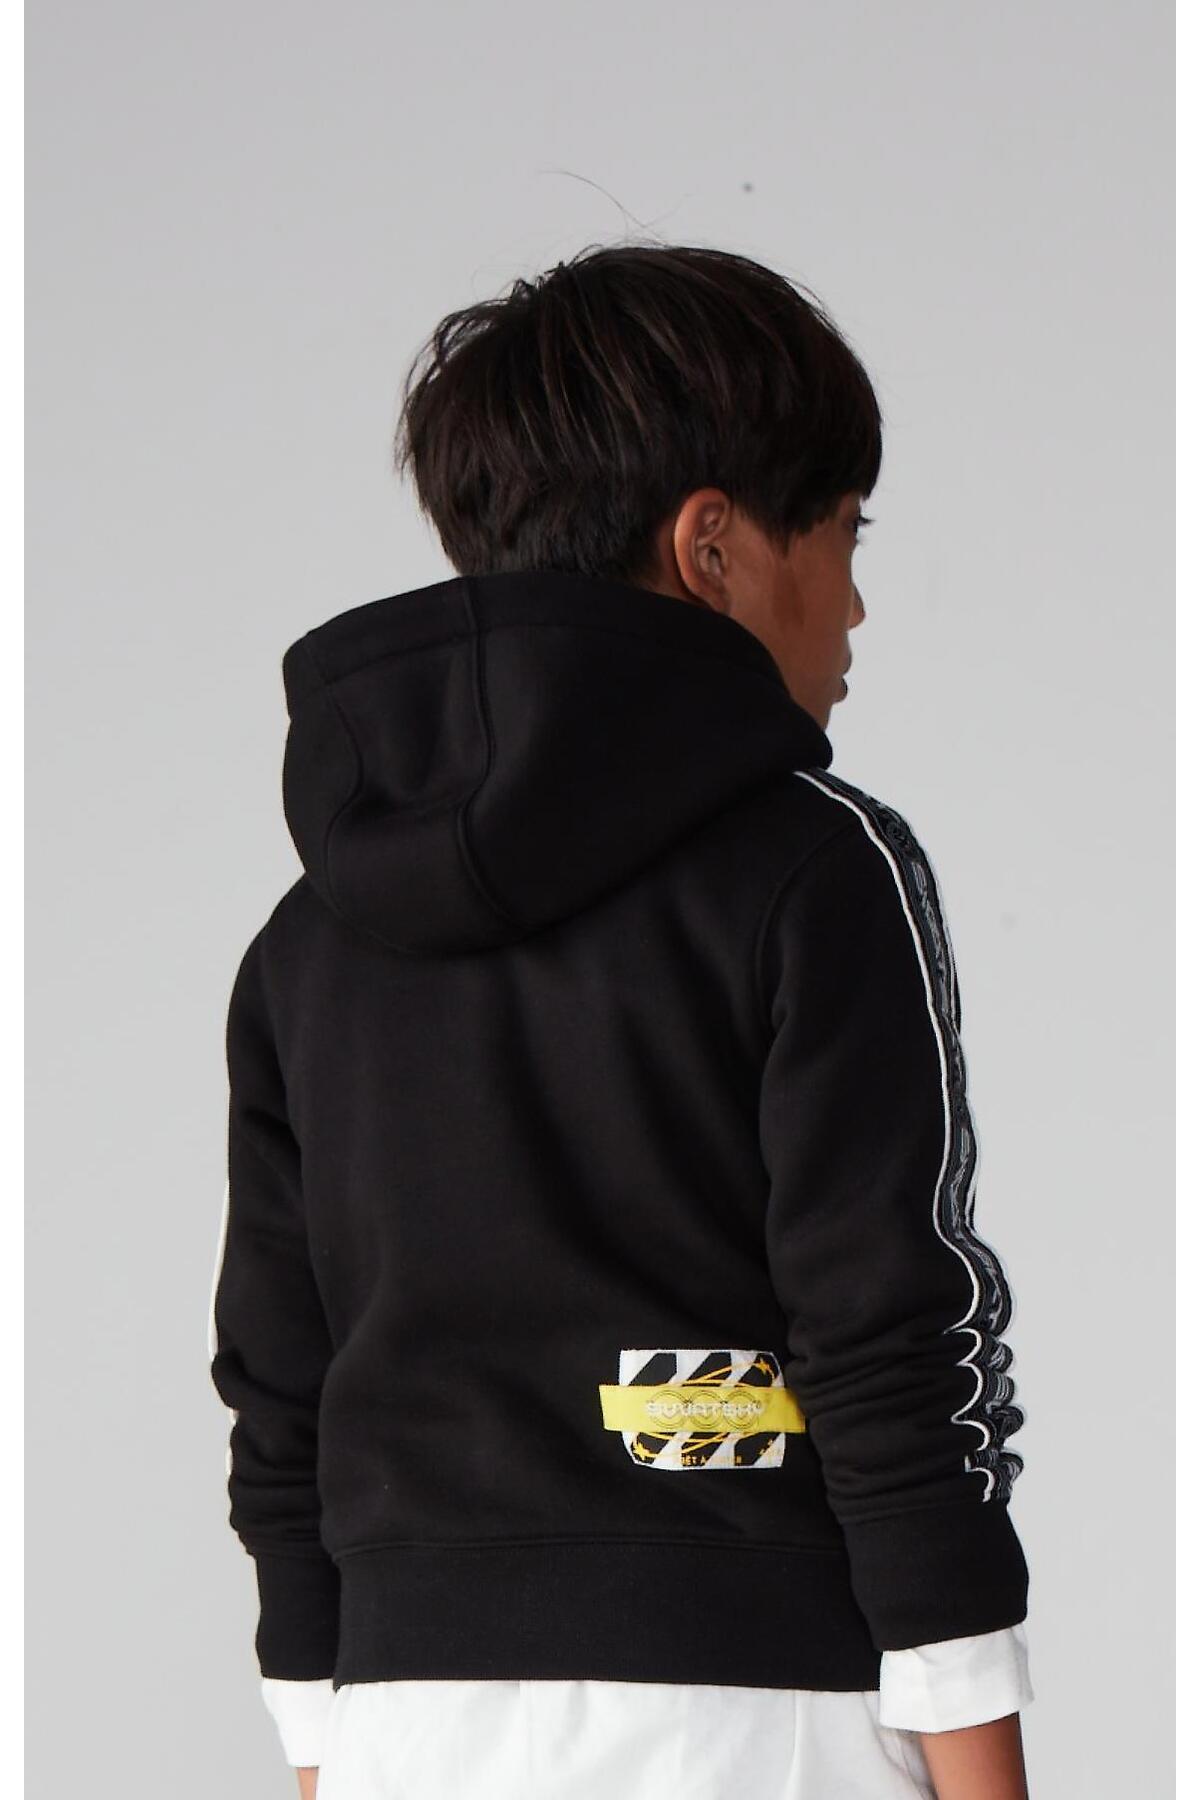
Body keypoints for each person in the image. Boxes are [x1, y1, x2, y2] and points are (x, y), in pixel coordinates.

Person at [208, 243, 1034, 1800]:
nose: (857, 603)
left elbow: (280, 1373)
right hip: (757, 1720)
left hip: (403, 1729)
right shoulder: (816, 865)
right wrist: (983, 1761)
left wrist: (323, 1737)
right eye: (843, 533)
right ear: (711, 546)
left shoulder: (311, 939)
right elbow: (886, 1333)